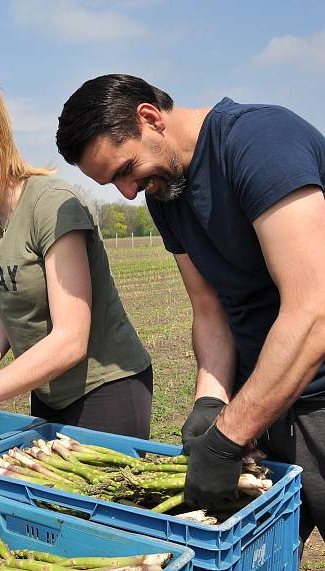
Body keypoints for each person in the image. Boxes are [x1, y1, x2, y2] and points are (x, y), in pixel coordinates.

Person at [56, 73, 325, 542]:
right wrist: (210, 399)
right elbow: (210, 309)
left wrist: (227, 438)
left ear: (149, 117)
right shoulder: (167, 193)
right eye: (112, 183)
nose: (127, 192)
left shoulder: (259, 142)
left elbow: (314, 309)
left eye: (124, 170)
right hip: (265, 399)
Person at [0, 80, 153, 449]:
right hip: (49, 390)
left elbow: (70, 341)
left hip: (105, 389)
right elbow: (10, 305)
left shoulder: (50, 206)